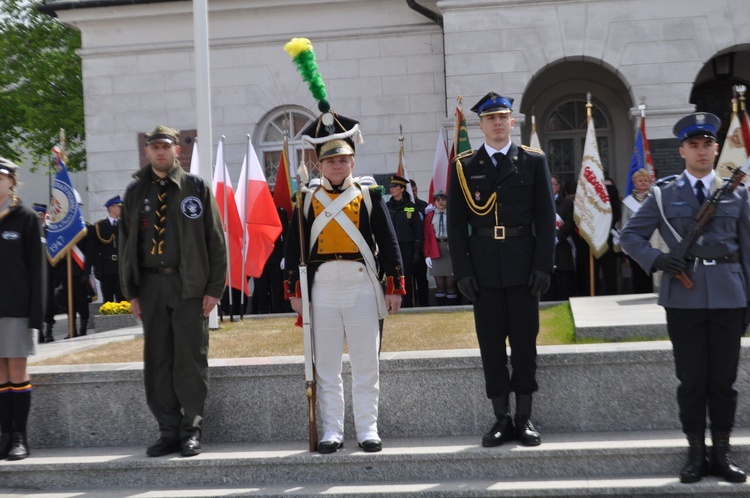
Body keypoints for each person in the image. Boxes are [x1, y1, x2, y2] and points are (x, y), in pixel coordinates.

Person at [620, 112, 749, 484]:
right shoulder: (663, 195)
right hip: (683, 299)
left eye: (707, 143)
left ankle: (721, 453)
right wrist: (658, 259)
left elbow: (748, 247)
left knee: (723, 381)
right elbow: (630, 237)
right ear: (682, 151)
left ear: (714, 148)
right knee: (692, 380)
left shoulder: (736, 193)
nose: (702, 150)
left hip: (729, 296)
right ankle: (695, 453)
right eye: (693, 145)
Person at [283, 109, 405, 454]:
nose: (338, 166)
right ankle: (332, 431)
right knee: (327, 366)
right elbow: (293, 248)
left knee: (367, 362)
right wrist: (294, 291)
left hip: (361, 285)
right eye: (331, 161)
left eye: (344, 160)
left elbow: (390, 242)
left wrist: (394, 287)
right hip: (322, 289)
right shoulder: (306, 198)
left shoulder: (369, 195)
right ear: (320, 165)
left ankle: (367, 428)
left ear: (352, 162)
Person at [447, 92, 555, 448]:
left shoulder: (532, 162)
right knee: (491, 346)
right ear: (480, 125)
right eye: (490, 118)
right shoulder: (464, 165)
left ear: (512, 122)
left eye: (503, 117)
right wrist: (462, 271)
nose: (497, 123)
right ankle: (500, 418)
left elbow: (545, 220)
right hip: (484, 269)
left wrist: (542, 265)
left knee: (524, 345)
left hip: (524, 267)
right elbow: (457, 221)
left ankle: (524, 418)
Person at [119, 125, 227, 458]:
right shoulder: (136, 191)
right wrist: (132, 291)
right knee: (158, 360)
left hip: (188, 286)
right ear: (148, 152)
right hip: (151, 286)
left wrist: (213, 289)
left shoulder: (195, 188)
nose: (160, 152)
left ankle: (190, 429)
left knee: (191, 360)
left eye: (166, 146)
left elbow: (215, 241)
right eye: (154, 147)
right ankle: (167, 430)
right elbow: (126, 243)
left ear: (177, 149)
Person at [0, 157, 45, 460]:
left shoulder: (26, 218)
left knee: (16, 372)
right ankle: (4, 434)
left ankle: (19, 437)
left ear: (12, 181)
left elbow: (37, 269)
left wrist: (37, 315)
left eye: (1, 177)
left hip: (15, 308)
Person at [386, 175, 422, 308]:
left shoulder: (411, 207)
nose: (391, 189)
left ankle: (408, 306)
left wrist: (417, 251)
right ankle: (392, 305)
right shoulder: (387, 206)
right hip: (391, 247)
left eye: (394, 187)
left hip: (407, 248)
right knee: (391, 277)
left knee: (406, 278)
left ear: (402, 189)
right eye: (390, 187)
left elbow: (418, 231)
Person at [542, 175, 575, 301]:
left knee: (564, 282)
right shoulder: (540, 203)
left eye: (553, 184)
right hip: (546, 248)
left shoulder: (567, 203)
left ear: (558, 187)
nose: (550, 187)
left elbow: (569, 223)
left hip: (562, 246)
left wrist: (557, 238)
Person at [422, 190, 457, 306]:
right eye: (438, 200)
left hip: (449, 249)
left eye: (443, 199)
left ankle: (451, 309)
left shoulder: (452, 214)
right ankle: (440, 308)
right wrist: (427, 255)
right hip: (436, 248)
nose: (441, 202)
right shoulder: (431, 216)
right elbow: (427, 236)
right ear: (434, 202)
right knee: (440, 285)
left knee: (450, 285)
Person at [94, 195, 124, 303]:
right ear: (111, 208)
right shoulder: (100, 226)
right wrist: (97, 269)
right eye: (119, 206)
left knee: (123, 299)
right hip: (106, 267)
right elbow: (95, 250)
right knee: (108, 299)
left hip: (120, 268)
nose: (121, 209)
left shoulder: (124, 225)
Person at [410, 179, 429, 307]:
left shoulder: (423, 205)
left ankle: (424, 305)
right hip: (407, 247)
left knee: (422, 279)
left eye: (416, 190)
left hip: (421, 247)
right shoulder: (401, 205)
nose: (415, 193)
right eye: (412, 191)